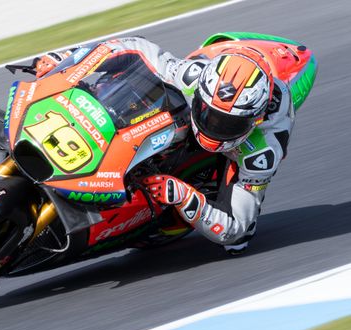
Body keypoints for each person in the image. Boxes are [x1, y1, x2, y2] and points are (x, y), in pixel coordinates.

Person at [33, 36, 313, 255]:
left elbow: (234, 229)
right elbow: (133, 47)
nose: (213, 128)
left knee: (236, 244)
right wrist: (66, 61)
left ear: (255, 119)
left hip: (241, 149)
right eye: (208, 113)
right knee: (132, 84)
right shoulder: (192, 74)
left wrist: (183, 196)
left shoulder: (263, 149)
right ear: (201, 93)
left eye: (228, 124)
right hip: (225, 63)